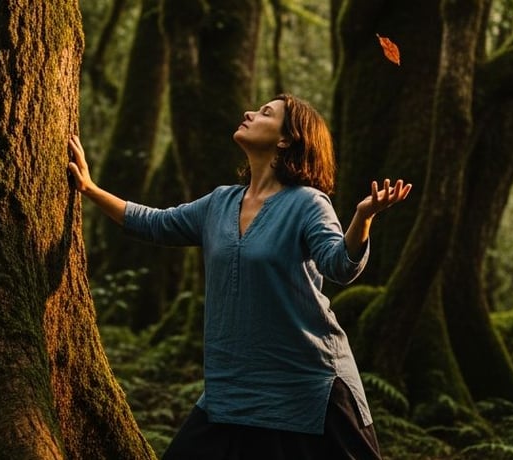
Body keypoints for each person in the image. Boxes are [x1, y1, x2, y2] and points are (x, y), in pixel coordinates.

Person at [67, 94, 412, 459]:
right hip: (233, 389)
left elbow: (340, 266)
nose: (249, 112)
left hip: (306, 386)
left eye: (265, 113)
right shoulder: (220, 203)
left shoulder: (307, 203)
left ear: (285, 140)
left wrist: (363, 217)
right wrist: (89, 189)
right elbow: (155, 223)